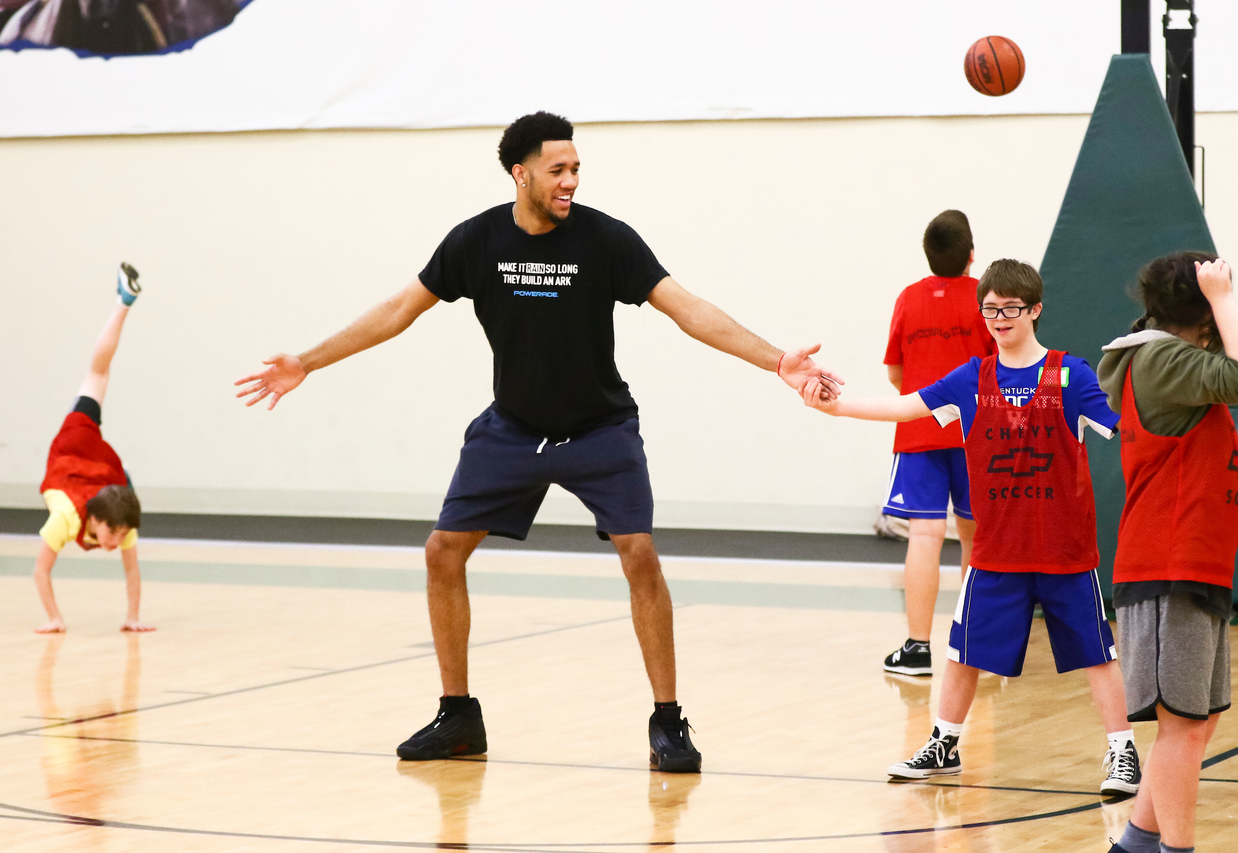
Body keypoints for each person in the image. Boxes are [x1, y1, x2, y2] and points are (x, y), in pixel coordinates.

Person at [235, 111, 841, 773]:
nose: (572, 181)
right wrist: (309, 361)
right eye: (558, 170)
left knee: (639, 552)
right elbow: (395, 311)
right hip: (513, 429)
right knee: (443, 551)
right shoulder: (475, 241)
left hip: (599, 428)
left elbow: (687, 308)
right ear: (519, 173)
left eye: (577, 168)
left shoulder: (607, 241)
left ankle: (667, 721)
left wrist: (777, 360)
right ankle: (458, 715)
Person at [798, 258, 1141, 796]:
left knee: (1098, 653)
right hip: (997, 550)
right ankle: (945, 743)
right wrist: (836, 409)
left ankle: (1123, 753)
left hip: (1064, 549)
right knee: (963, 653)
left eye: (1010, 309)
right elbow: (905, 406)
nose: (1000, 319)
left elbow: (1133, 428)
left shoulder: (1071, 375)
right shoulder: (972, 377)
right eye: (991, 309)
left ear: (1035, 310)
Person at [1096, 254, 1238, 853]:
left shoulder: (1164, 363)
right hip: (1166, 566)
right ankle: (1177, 848)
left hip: (1194, 563)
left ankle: (1139, 842)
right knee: (1181, 726)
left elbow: (1173, 454)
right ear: (1200, 313)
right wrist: (1224, 296)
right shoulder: (1161, 358)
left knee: (1199, 719)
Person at [880, 210, 994, 677]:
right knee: (975, 536)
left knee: (925, 535)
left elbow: (895, 374)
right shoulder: (988, 298)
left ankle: (916, 648)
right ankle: (974, 644)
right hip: (976, 435)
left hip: (919, 431)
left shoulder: (908, 298)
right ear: (971, 256)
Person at [35, 263, 152, 634]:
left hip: (100, 469)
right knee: (98, 374)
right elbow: (41, 569)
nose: (116, 543)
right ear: (96, 521)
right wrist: (55, 618)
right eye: (112, 534)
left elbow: (132, 569)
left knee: (98, 375)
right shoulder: (64, 519)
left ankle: (124, 301)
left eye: (119, 536)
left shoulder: (123, 522)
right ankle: (123, 302)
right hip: (74, 448)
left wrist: (132, 617)